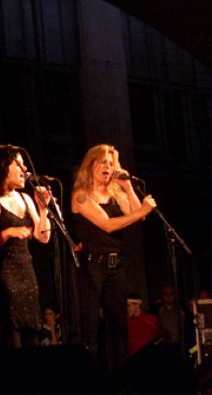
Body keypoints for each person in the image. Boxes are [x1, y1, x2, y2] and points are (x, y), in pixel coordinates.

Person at [71, 144, 156, 372]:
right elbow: (108, 225)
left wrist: (127, 187)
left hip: (115, 265)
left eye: (111, 163)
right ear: (91, 165)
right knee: (90, 327)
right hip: (92, 266)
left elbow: (137, 216)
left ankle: (120, 377)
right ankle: (88, 376)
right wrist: (143, 210)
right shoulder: (81, 195)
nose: (108, 167)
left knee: (119, 327)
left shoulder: (115, 194)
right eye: (103, 162)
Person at [0, 148, 51, 348]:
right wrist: (7, 233)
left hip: (27, 275)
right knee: (13, 337)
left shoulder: (25, 199)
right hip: (5, 276)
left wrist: (43, 211)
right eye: (19, 164)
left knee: (31, 337)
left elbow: (43, 237)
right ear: (5, 168)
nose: (25, 169)